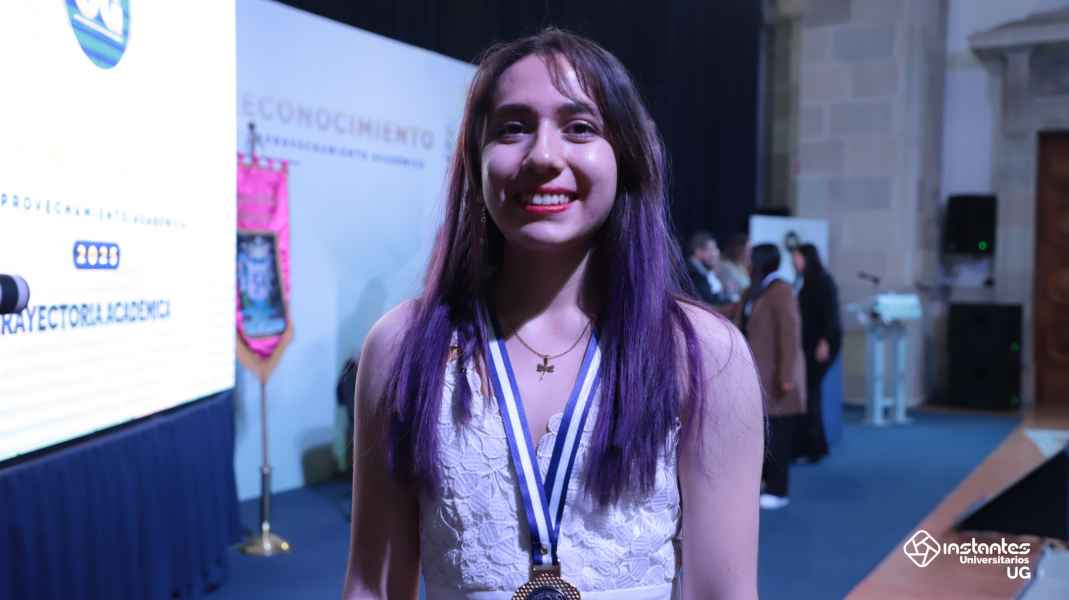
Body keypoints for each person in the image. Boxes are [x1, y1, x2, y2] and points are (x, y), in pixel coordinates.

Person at [342, 29, 763, 600]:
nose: (542, 155)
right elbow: (372, 586)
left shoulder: (702, 353)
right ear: (476, 158)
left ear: (626, 157)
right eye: (512, 127)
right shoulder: (402, 347)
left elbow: (724, 593)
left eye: (580, 127)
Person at [737, 243, 805, 510]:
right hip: (755, 374)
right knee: (763, 432)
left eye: (750, 259)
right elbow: (736, 312)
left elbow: (790, 334)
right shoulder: (754, 289)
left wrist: (787, 375)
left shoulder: (781, 290)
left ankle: (779, 488)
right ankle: (765, 481)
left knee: (778, 433)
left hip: (776, 374)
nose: (746, 263)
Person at [791, 243, 842, 463]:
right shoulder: (805, 281)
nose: (794, 262)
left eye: (797, 258)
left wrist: (825, 342)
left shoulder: (823, 282)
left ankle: (813, 447)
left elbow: (831, 315)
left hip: (819, 344)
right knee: (810, 394)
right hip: (808, 344)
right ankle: (813, 445)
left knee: (811, 394)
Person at [685, 231, 728, 305]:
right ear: (698, 252)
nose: (715, 253)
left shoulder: (703, 271)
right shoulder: (692, 274)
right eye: (711, 250)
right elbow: (708, 302)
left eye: (715, 249)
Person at [717, 233, 751, 304]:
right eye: (747, 249)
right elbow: (730, 292)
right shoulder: (726, 267)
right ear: (738, 250)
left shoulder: (742, 266)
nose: (750, 253)